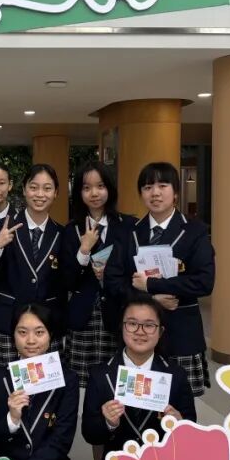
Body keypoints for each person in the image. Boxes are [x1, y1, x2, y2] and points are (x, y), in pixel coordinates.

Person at [106, 162, 215, 397]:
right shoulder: (129, 232)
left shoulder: (195, 231)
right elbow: (113, 281)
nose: (155, 193)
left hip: (181, 332)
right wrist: (150, 298)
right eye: (147, 187)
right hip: (138, 335)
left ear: (175, 192)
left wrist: (152, 285)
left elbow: (204, 282)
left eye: (163, 186)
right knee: (136, 401)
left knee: (180, 405)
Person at [0, 302, 79, 460]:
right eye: (22, 332)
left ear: (50, 335)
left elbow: (61, 440)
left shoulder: (67, 379)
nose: (31, 340)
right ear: (13, 335)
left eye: (39, 332)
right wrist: (11, 420)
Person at [82, 291, 196, 459]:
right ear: (122, 327)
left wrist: (180, 424)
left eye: (149, 325)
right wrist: (108, 423)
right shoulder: (100, 375)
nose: (140, 331)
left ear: (160, 331)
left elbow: (191, 430)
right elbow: (90, 434)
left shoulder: (176, 375)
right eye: (132, 323)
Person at [61, 161, 136, 385]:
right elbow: (67, 279)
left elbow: (134, 270)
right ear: (79, 192)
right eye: (87, 188)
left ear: (110, 188)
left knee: (117, 381)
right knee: (80, 382)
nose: (94, 193)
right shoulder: (71, 229)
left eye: (100, 186)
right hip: (83, 316)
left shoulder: (128, 226)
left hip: (117, 312)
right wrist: (83, 250)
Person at [0, 163, 66, 369]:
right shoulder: (4, 226)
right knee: (3, 384)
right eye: (33, 187)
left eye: (47, 188)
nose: (40, 194)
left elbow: (64, 280)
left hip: (45, 325)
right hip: (7, 322)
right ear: (23, 189)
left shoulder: (60, 232)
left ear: (56, 193)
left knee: (44, 385)